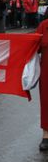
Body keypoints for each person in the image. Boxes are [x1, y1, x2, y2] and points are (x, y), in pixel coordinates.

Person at [35, 18, 48, 151]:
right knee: (46, 102)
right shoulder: (44, 25)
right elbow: (32, 46)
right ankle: (46, 135)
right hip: (46, 72)